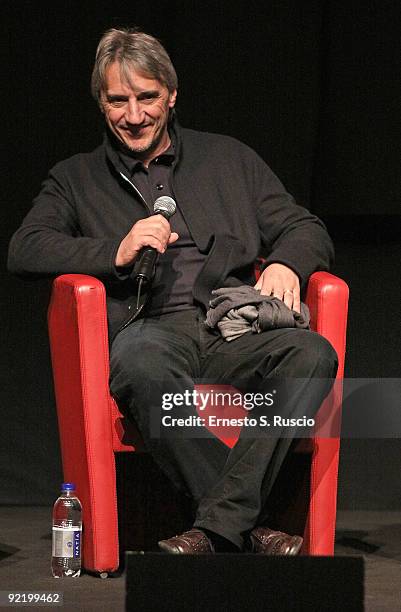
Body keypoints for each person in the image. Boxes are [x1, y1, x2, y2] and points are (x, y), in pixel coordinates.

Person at [8, 27, 338, 555]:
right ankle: (248, 529)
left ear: (172, 94)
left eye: (147, 97)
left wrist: (287, 263)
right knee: (141, 365)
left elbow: (306, 227)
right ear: (101, 101)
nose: (133, 115)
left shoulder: (229, 159)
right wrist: (114, 250)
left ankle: (217, 528)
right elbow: (26, 248)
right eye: (118, 100)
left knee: (313, 354)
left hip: (232, 326)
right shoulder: (75, 178)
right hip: (151, 330)